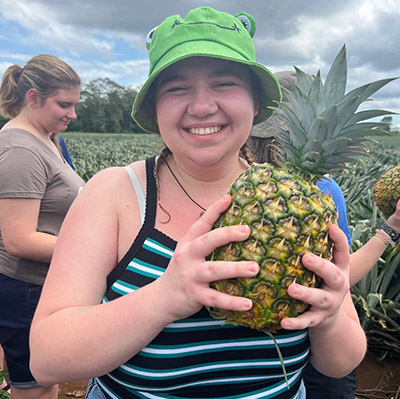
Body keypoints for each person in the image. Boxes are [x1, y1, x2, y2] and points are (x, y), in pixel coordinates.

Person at [29, 8, 367, 399]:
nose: (202, 107)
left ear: (256, 103)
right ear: (155, 107)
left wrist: (327, 319)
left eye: (224, 83)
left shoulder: (305, 204)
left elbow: (340, 363)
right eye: (177, 88)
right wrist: (166, 297)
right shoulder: (114, 194)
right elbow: (46, 358)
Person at [248, 70, 400, 399]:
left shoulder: (244, 183)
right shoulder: (324, 191)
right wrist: (391, 230)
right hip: (306, 343)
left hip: (312, 342)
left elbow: (337, 275)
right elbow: (340, 274)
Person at [0, 54, 85, 399]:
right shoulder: (21, 149)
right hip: (25, 289)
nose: (73, 114)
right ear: (33, 98)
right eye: (64, 104)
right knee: (34, 387)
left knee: (48, 376)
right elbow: (19, 240)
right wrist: (92, 250)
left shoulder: (48, 138)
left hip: (44, 283)